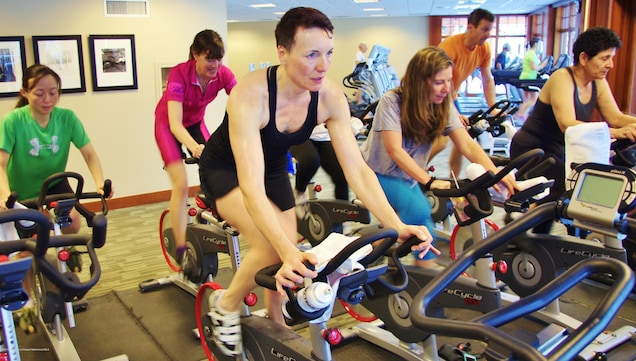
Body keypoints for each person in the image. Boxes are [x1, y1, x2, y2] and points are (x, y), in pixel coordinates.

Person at [197, 7, 435, 356]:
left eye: (328, 53)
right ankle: (225, 304)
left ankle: (276, 331)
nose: (323, 66)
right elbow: (250, 184)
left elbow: (358, 170)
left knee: (288, 252)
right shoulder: (251, 95)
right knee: (271, 248)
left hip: (274, 167)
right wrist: (286, 249)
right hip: (225, 169)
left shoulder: (328, 96)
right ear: (282, 52)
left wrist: (396, 224)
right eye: (311, 55)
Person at [361, 46, 516, 268]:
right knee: (420, 210)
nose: (447, 89)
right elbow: (395, 151)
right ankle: (398, 260)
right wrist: (430, 181)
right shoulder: (392, 101)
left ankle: (422, 276)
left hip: (407, 176)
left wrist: (496, 173)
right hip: (376, 173)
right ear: (420, 81)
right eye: (439, 82)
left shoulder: (443, 105)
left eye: (449, 81)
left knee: (424, 226)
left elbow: (467, 145)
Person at [0, 64, 112, 333]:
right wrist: (4, 195)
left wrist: (99, 182)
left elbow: (89, 154)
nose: (48, 100)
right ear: (25, 92)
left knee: (72, 223)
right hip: (20, 190)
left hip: (54, 183)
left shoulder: (67, 118)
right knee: (25, 250)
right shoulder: (13, 121)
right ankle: (26, 307)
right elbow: (0, 164)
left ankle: (70, 250)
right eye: (40, 94)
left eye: (53, 93)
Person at [510, 27, 636, 233]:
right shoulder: (562, 78)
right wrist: (614, 133)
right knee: (564, 188)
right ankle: (525, 239)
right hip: (534, 149)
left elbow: (615, 117)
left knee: (582, 187)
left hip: (562, 150)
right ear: (584, 57)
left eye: (612, 58)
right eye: (605, 58)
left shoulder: (597, 81)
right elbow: (567, 124)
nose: (610, 64)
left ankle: (573, 242)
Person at [153, 29, 236, 277]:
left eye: (219, 58)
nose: (215, 64)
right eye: (209, 58)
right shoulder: (180, 74)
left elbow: (243, 98)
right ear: (195, 54)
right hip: (168, 126)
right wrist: (194, 146)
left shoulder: (222, 73)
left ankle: (208, 199)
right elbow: (175, 123)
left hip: (196, 122)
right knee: (180, 184)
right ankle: (180, 249)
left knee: (217, 166)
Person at [435, 8, 498, 177]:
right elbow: (438, 83)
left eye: (490, 30)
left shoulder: (483, 49)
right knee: (440, 142)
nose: (488, 34)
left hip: (451, 96)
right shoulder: (449, 47)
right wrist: (453, 113)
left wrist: (493, 107)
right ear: (470, 27)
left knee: (463, 137)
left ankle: (453, 182)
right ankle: (414, 176)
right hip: (434, 96)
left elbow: (487, 79)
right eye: (484, 29)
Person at [514, 37, 549, 121]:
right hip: (528, 78)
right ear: (536, 44)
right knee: (534, 99)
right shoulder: (532, 54)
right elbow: (534, 67)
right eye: (540, 44)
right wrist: (544, 64)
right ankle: (520, 114)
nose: (541, 47)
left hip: (526, 77)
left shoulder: (529, 53)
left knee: (527, 99)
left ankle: (523, 116)